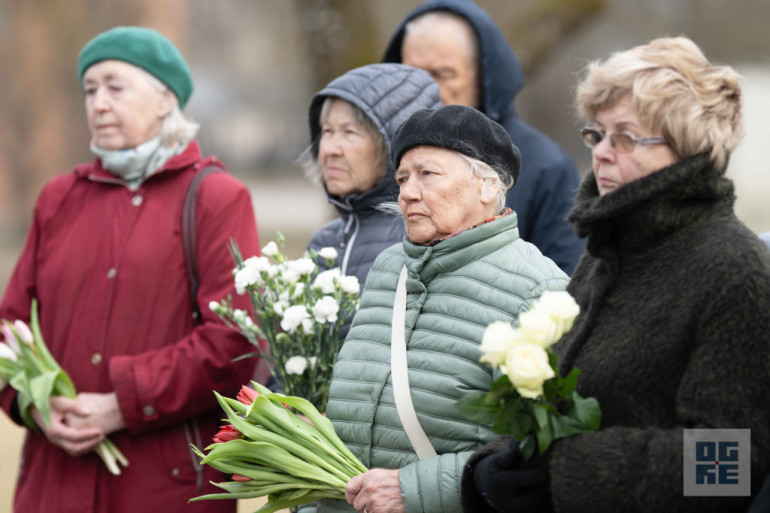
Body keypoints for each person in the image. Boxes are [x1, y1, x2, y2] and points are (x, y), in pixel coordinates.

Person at [462, 36, 770, 513]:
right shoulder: (607, 254)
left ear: (687, 148)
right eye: (598, 134)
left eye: (625, 136)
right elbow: (556, 410)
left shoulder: (735, 271)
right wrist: (490, 470)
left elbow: (730, 465)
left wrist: (570, 474)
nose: (602, 152)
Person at [0, 26, 260, 513]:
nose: (97, 103)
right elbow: (8, 327)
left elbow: (233, 342)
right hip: (53, 484)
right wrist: (35, 405)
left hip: (166, 487)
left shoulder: (215, 198)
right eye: (90, 90)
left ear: (165, 100)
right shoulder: (59, 198)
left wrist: (121, 404)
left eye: (115, 87)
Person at [307, 104, 568, 513]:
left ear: (487, 186)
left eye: (427, 174)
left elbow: (546, 451)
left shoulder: (539, 289)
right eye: (403, 178)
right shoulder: (388, 268)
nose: (408, 192)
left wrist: (415, 491)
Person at [383, 0, 584, 275]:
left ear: (484, 76)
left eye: (443, 74)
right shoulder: (390, 160)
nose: (426, 89)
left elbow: (565, 290)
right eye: (412, 76)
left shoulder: (547, 168)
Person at [303, 63, 441, 289]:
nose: (330, 149)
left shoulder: (421, 241)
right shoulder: (324, 242)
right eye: (327, 131)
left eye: (349, 132)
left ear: (392, 145)